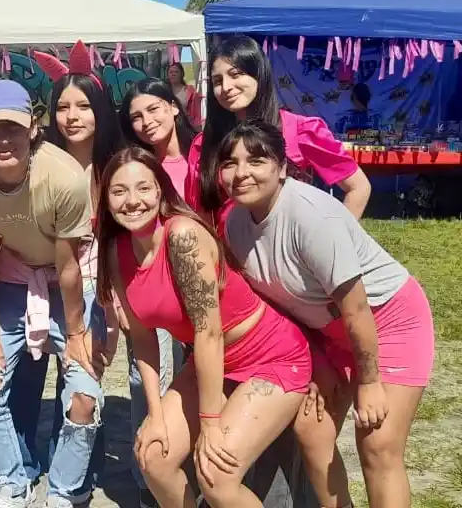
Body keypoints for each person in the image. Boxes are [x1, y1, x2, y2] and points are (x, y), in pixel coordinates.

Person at [216, 120, 435, 508]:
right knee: (311, 430)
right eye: (230, 163)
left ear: (282, 167)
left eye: (256, 160)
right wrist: (317, 362)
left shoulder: (312, 217)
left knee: (378, 444)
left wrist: (368, 383)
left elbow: (357, 308)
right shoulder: (234, 225)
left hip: (387, 319)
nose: (241, 173)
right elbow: (279, 306)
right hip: (328, 331)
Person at [95, 146, 313, 508]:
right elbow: (143, 339)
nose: (132, 201)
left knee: (215, 474)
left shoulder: (182, 236)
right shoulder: (117, 252)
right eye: (119, 191)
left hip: (270, 357)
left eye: (143, 188)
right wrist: (156, 415)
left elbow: (208, 332)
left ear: (162, 192)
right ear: (105, 200)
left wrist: (209, 425)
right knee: (153, 456)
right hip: (213, 364)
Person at [0, 79, 109, 508]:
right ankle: (12, 483)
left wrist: (75, 335)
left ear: (33, 127)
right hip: (15, 279)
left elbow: (69, 264)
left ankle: (64, 491)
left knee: (83, 397)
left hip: (71, 283)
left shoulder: (63, 177)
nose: (3, 139)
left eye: (13, 127)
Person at [9, 41, 125, 492]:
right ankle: (22, 462)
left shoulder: (115, 168)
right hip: (36, 284)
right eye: (62, 107)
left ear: (100, 110)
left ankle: (74, 473)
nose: (72, 116)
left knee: (81, 376)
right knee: (27, 373)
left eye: (83, 106)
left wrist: (114, 302)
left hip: (93, 285)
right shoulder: (35, 162)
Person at [187, 35, 371, 227]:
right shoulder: (204, 144)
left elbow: (358, 187)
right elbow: (201, 214)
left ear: (259, 74)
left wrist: (335, 239)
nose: (226, 87)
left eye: (235, 74)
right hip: (226, 253)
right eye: (217, 81)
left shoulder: (302, 131)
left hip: (288, 253)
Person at [118, 77, 199, 506]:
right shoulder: (137, 169)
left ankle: (193, 467)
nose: (146, 122)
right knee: (143, 373)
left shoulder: (202, 155)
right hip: (152, 288)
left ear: (173, 106)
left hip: (202, 295)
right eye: (136, 116)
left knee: (200, 373)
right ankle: (150, 473)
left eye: (153, 109)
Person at [167, 62, 203, 129]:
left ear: (181, 74)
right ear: (167, 75)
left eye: (176, 72)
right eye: (171, 72)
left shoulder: (189, 90)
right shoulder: (164, 90)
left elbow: (196, 113)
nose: (173, 74)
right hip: (169, 126)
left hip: (186, 127)